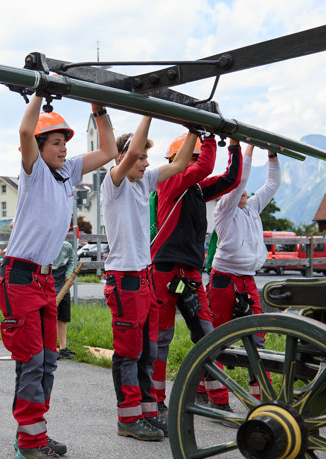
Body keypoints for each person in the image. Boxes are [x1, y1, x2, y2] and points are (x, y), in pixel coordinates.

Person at [0, 95, 116, 459]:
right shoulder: (33, 172)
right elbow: (23, 130)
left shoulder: (69, 171)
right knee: (32, 361)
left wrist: (100, 110)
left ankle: (34, 433)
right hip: (19, 276)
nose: (64, 148)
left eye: (66, 141)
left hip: (45, 279)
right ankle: (30, 441)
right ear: (39, 147)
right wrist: (38, 91)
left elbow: (111, 149)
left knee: (48, 360)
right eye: (56, 142)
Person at [102, 116, 193, 440]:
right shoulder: (114, 181)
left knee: (147, 350)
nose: (145, 162)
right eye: (139, 157)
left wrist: (195, 130)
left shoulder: (145, 180)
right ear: (125, 157)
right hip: (124, 277)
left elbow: (181, 162)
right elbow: (130, 153)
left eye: (145, 158)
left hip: (144, 274)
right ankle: (127, 418)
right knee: (128, 352)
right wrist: (149, 110)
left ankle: (147, 411)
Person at [150, 130, 241, 417]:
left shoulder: (197, 189)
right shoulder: (169, 181)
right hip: (165, 270)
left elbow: (230, 179)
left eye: (199, 155)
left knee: (207, 336)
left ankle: (217, 398)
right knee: (161, 339)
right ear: (177, 160)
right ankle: (155, 401)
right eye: (194, 156)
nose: (199, 161)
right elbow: (205, 167)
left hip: (189, 271)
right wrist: (209, 135)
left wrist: (235, 146)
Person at [208, 144, 279, 401]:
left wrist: (272, 155)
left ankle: (262, 400)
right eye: (240, 191)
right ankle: (215, 397)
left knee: (258, 339)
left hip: (247, 281)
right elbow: (239, 181)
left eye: (246, 193)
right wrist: (248, 148)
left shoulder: (251, 209)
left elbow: (272, 184)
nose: (245, 194)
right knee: (216, 339)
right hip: (224, 280)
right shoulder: (225, 211)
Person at [51, 238, 75, 359]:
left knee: (63, 317)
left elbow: (71, 261)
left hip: (63, 284)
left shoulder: (67, 246)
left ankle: (63, 348)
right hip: (49, 283)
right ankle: (51, 349)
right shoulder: (45, 245)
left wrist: (69, 275)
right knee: (51, 317)